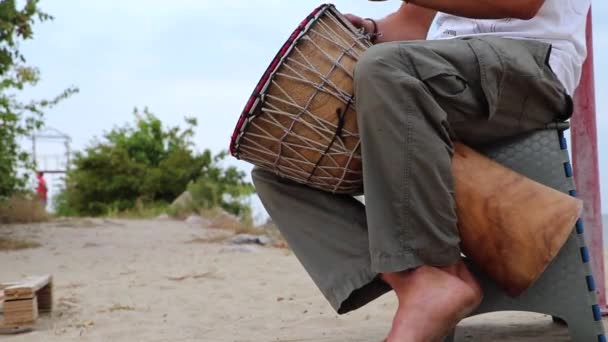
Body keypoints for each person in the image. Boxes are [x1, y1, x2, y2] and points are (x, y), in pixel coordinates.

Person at [253, 1, 590, 341]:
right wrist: (371, 31)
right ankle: (418, 282)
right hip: (433, 72)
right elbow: (413, 22)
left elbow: (521, 5)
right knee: (281, 161)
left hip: (532, 66)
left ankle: (437, 272)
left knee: (385, 68)